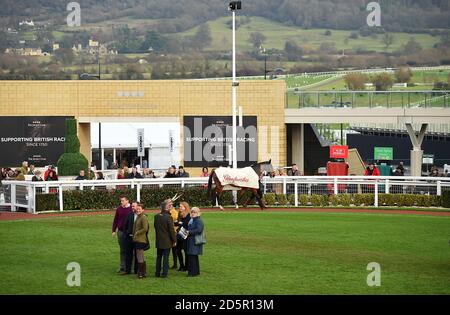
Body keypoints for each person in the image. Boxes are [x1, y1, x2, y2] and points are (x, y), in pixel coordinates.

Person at [154, 199, 177, 278]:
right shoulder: (168, 217)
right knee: (166, 257)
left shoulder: (156, 216)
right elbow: (171, 230)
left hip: (159, 240)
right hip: (167, 241)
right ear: (166, 208)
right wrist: (174, 240)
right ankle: (164, 273)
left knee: (159, 257)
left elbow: (156, 227)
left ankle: (157, 272)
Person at [112, 196, 133, 274]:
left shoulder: (131, 209)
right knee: (122, 250)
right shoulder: (119, 209)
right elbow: (115, 220)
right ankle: (122, 267)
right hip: (121, 232)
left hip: (129, 232)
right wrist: (113, 230)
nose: (121, 202)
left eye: (123, 201)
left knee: (131, 250)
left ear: (127, 201)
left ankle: (131, 267)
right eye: (121, 201)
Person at [186, 207, 205, 277]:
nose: (193, 213)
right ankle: (196, 272)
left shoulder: (198, 221)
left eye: (195, 212)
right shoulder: (193, 220)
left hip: (195, 241)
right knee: (193, 256)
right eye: (192, 212)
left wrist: (189, 232)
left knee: (192, 256)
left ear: (198, 213)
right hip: (192, 240)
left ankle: (192, 273)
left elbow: (199, 230)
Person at [133, 203, 150, 279]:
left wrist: (137, 233)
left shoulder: (143, 217)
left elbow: (145, 228)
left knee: (139, 255)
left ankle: (141, 273)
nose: (138, 210)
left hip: (141, 239)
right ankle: (143, 272)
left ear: (143, 210)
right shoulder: (138, 217)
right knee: (140, 255)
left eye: (139, 209)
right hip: (137, 239)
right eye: (137, 209)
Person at [123, 201, 139, 275]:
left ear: (138, 207)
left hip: (137, 238)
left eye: (134, 206)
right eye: (132, 206)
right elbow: (125, 226)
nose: (132, 207)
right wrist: (125, 234)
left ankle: (136, 270)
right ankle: (127, 270)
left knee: (137, 255)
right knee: (128, 255)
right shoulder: (129, 215)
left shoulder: (141, 216)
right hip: (129, 238)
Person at [175, 202, 191, 272]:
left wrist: (180, 223)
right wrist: (177, 223)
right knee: (178, 250)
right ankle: (181, 266)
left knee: (186, 251)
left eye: (181, 206)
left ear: (185, 207)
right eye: (179, 206)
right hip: (179, 234)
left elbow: (186, 224)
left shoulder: (189, 215)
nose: (180, 208)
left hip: (186, 235)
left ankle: (186, 267)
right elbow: (178, 223)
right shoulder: (179, 214)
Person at [169, 199, 179, 270]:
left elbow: (173, 220)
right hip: (168, 232)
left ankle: (175, 264)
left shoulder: (174, 212)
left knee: (174, 249)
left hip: (174, 232)